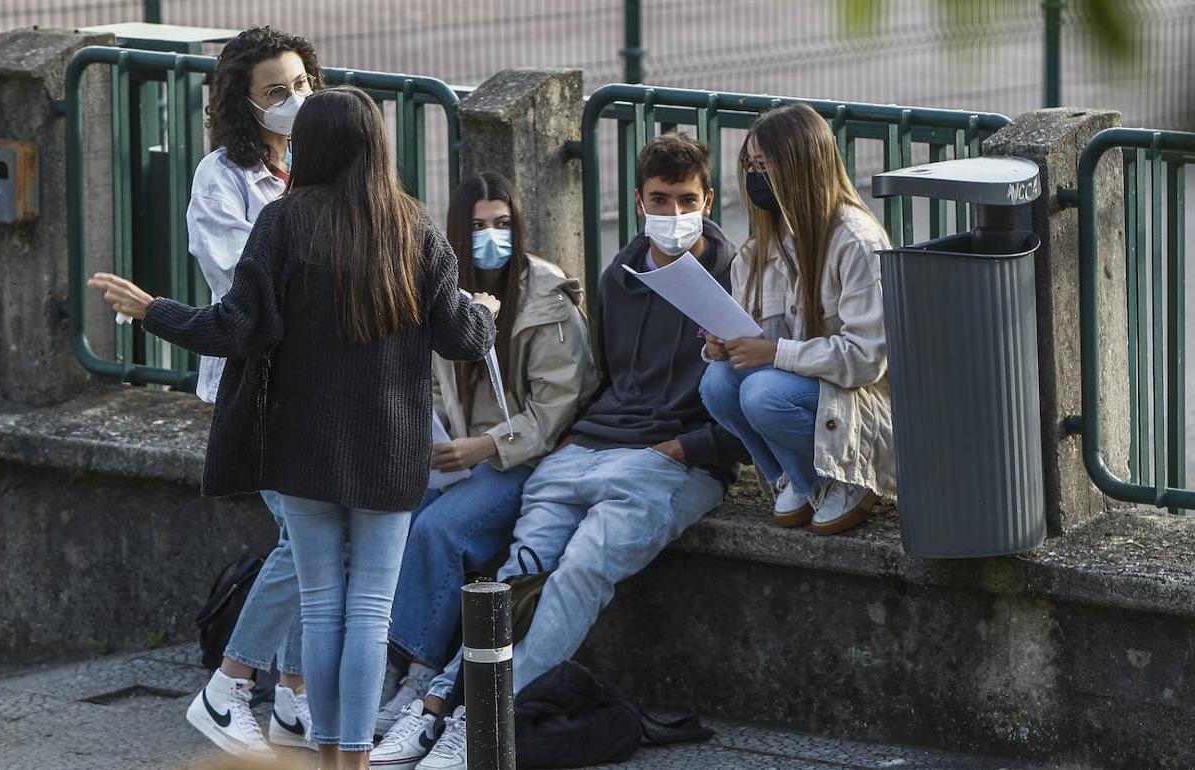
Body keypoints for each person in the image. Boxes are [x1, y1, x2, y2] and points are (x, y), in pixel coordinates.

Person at [88, 86, 499, 770]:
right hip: (391, 449)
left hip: (302, 446)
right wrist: (481, 307)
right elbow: (459, 337)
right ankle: (355, 761)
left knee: (320, 603)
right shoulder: (415, 227)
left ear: (310, 146)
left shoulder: (284, 223)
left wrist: (154, 309)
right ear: (377, 147)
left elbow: (236, 327)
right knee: (370, 610)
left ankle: (327, 755)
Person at [387, 132, 747, 768]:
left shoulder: (740, 275)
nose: (671, 215)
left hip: (665, 461)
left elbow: (747, 408)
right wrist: (576, 442)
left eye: (685, 200)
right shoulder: (620, 275)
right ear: (638, 200)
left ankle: (481, 723)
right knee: (515, 575)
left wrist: (680, 448)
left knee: (580, 571)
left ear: (708, 199)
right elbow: (607, 381)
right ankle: (435, 705)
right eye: (658, 200)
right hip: (585, 450)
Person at [369, 172, 597, 768]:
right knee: (393, 510)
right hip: (458, 453)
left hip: (522, 457)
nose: (490, 236)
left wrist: (485, 446)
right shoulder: (442, 288)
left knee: (439, 531)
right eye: (476, 226)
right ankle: (376, 663)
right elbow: (437, 386)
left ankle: (420, 673)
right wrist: (436, 438)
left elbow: (557, 407)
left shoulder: (546, 296)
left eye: (501, 224)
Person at [181, 25, 324, 759]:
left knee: (315, 538)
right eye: (276, 92)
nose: (295, 101)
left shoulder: (321, 164)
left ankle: (295, 694)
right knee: (306, 540)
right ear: (242, 102)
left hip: (322, 383)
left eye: (302, 85)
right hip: (261, 389)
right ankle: (228, 687)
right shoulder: (221, 179)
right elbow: (248, 287)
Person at [699, 103, 895, 535]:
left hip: (861, 402)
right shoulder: (759, 247)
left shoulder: (855, 240)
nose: (753, 177)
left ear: (799, 168)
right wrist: (725, 343)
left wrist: (772, 353)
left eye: (764, 166)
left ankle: (848, 478)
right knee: (716, 382)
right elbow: (757, 339)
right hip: (800, 382)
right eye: (748, 165)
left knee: (762, 393)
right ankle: (800, 479)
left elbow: (865, 360)